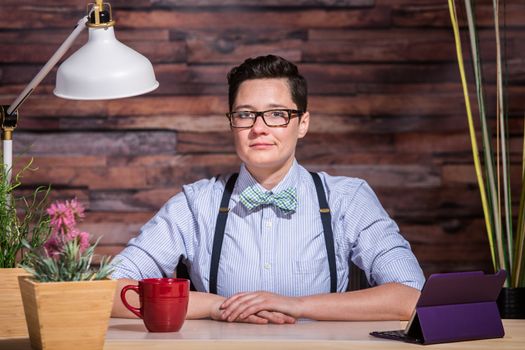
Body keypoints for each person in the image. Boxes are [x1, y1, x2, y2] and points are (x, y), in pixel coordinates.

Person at [111, 55, 425, 324]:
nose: (258, 128)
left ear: (302, 123)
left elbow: (411, 296)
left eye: (277, 114)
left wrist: (296, 305)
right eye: (246, 114)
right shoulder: (194, 204)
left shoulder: (348, 199)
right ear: (231, 123)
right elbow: (107, 292)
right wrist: (219, 307)